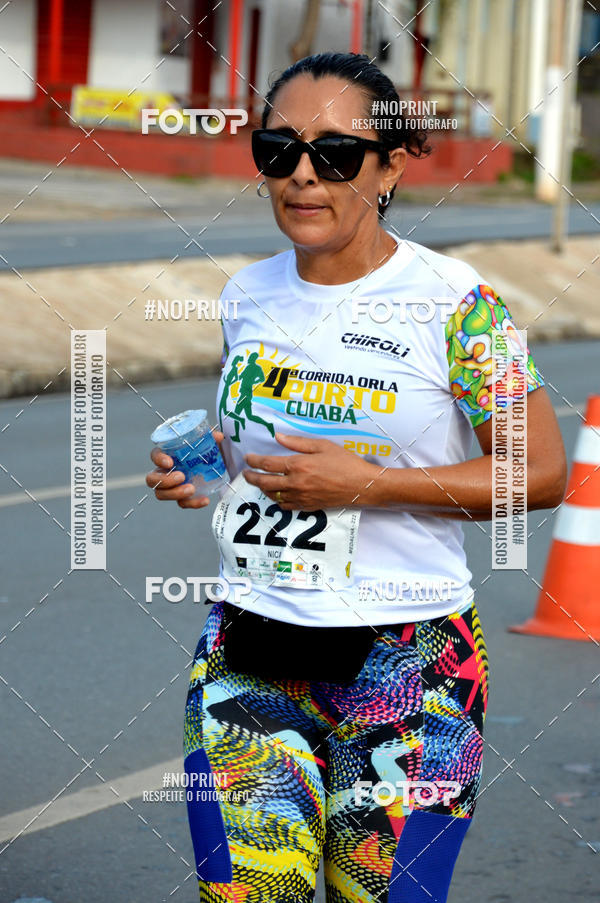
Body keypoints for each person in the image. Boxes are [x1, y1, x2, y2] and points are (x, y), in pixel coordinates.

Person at [147, 52, 567, 903]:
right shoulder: (247, 294)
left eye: (336, 154)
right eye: (279, 150)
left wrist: (366, 487)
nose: (303, 175)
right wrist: (209, 472)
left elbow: (543, 469)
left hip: (412, 664)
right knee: (248, 894)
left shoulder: (457, 304)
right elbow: (260, 445)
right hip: (250, 647)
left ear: (391, 168)